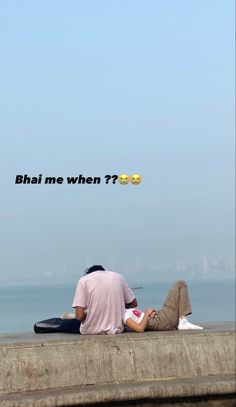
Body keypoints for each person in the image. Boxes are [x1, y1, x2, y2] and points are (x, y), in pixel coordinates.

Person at [72, 265, 137, 334]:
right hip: (116, 328)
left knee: (66, 325)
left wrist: (88, 314)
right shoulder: (118, 277)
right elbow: (133, 303)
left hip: (91, 329)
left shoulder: (84, 280)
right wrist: (118, 307)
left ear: (89, 274)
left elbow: (79, 316)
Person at [123, 280, 203, 333]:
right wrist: (147, 313)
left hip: (159, 319)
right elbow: (140, 329)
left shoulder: (126, 311)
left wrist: (148, 313)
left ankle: (182, 320)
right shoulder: (124, 315)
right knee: (180, 284)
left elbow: (138, 319)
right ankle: (183, 321)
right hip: (161, 321)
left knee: (179, 289)